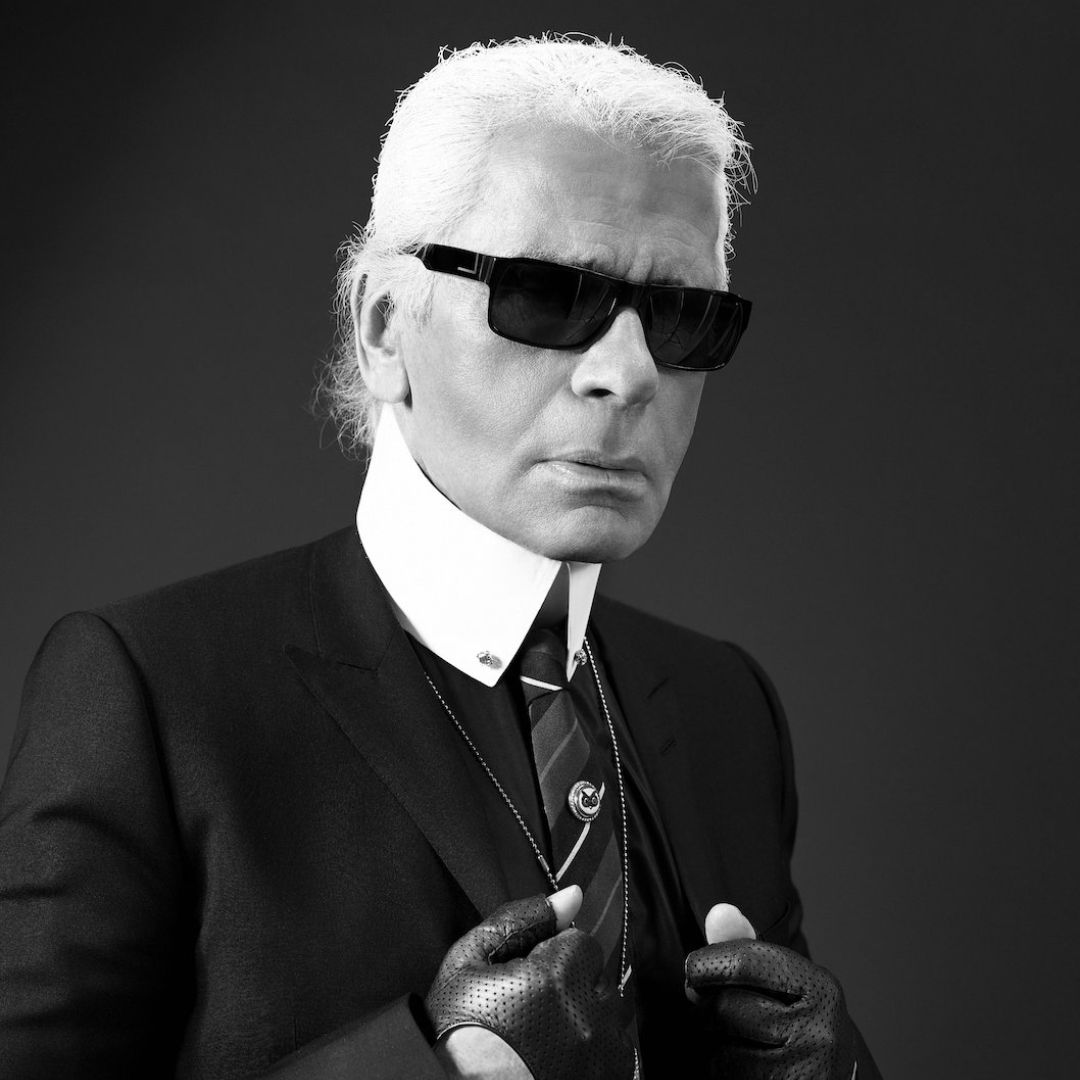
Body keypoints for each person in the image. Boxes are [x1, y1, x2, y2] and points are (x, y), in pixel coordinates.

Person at [0, 35, 882, 1080]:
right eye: (547, 295)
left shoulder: (725, 705)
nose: (631, 372)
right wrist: (440, 1069)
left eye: (683, 316)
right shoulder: (150, 695)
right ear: (385, 328)